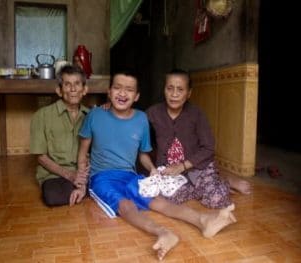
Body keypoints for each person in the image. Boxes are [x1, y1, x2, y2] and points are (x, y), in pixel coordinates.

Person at [77, 70, 236, 260]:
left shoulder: (141, 118)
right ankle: (163, 232)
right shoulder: (95, 115)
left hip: (130, 175)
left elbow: (143, 153)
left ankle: (202, 221)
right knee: (126, 205)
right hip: (102, 177)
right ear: (109, 92)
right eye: (117, 88)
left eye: (129, 90)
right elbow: (83, 151)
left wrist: (151, 169)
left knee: (158, 200)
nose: (122, 93)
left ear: (136, 96)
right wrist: (80, 180)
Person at [146, 69, 251, 209]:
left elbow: (209, 147)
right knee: (163, 197)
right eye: (169, 88)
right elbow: (134, 121)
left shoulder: (196, 114)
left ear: (189, 93)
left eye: (180, 89)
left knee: (216, 199)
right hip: (169, 170)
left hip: (198, 167)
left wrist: (182, 166)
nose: (174, 94)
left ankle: (224, 181)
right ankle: (208, 185)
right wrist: (112, 108)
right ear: (164, 90)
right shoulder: (153, 112)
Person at [30, 65, 89, 207]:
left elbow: (96, 152)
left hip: (82, 172)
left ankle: (83, 188)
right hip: (54, 174)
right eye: (67, 84)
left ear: (85, 89)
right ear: (59, 90)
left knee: (105, 184)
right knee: (53, 197)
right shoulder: (42, 116)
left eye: (77, 84)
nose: (73, 89)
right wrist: (69, 175)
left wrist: (82, 177)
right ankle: (81, 190)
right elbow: (40, 156)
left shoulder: (92, 116)